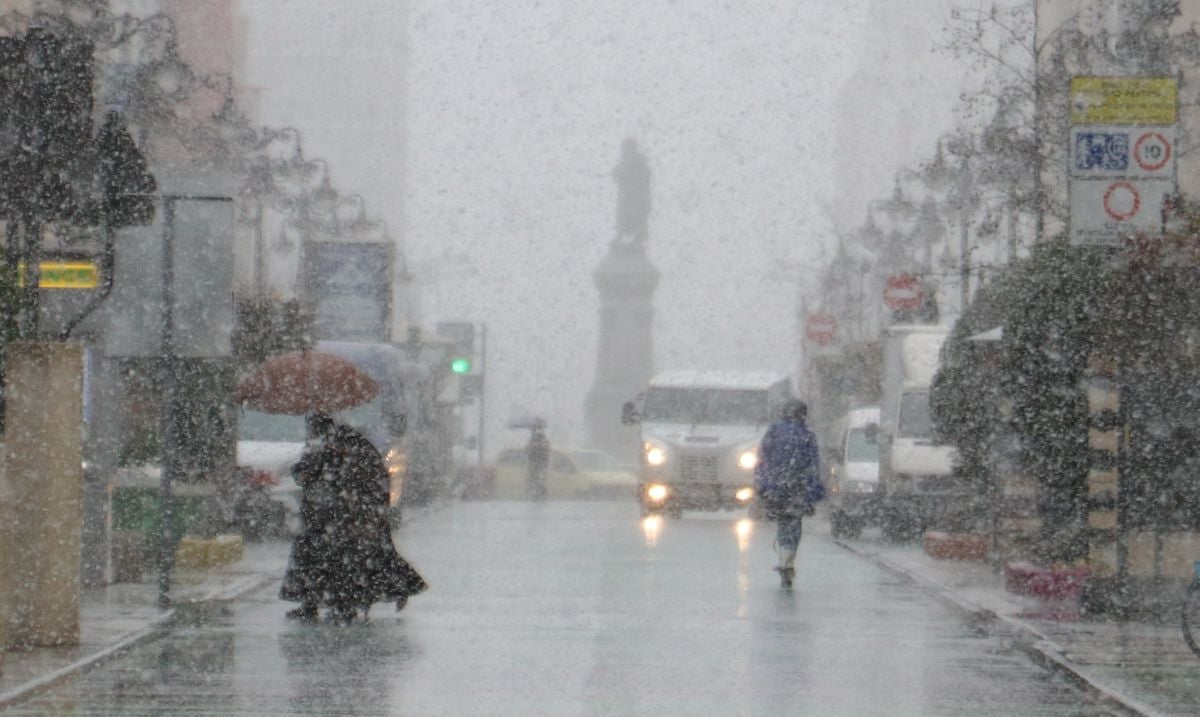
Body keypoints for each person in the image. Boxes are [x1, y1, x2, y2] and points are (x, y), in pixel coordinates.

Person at [281, 412, 428, 623]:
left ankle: (340, 604)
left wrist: (360, 508)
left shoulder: (343, 446)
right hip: (327, 516)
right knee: (321, 558)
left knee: (344, 560)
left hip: (344, 517)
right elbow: (309, 473)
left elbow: (335, 475)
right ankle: (317, 603)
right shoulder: (327, 447)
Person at [754, 399, 825, 588]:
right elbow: (813, 465)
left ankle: (783, 557)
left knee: (782, 521)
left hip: (777, 487)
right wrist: (814, 490)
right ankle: (789, 559)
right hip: (799, 488)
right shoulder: (807, 435)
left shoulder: (774, 431)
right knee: (795, 522)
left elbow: (763, 458)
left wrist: (763, 485)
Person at [526, 425, 550, 500]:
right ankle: (536, 494)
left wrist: (533, 449)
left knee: (537, 480)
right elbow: (528, 450)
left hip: (537, 464)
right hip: (537, 464)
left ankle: (537, 494)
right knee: (536, 480)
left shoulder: (542, 442)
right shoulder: (537, 441)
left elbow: (529, 451)